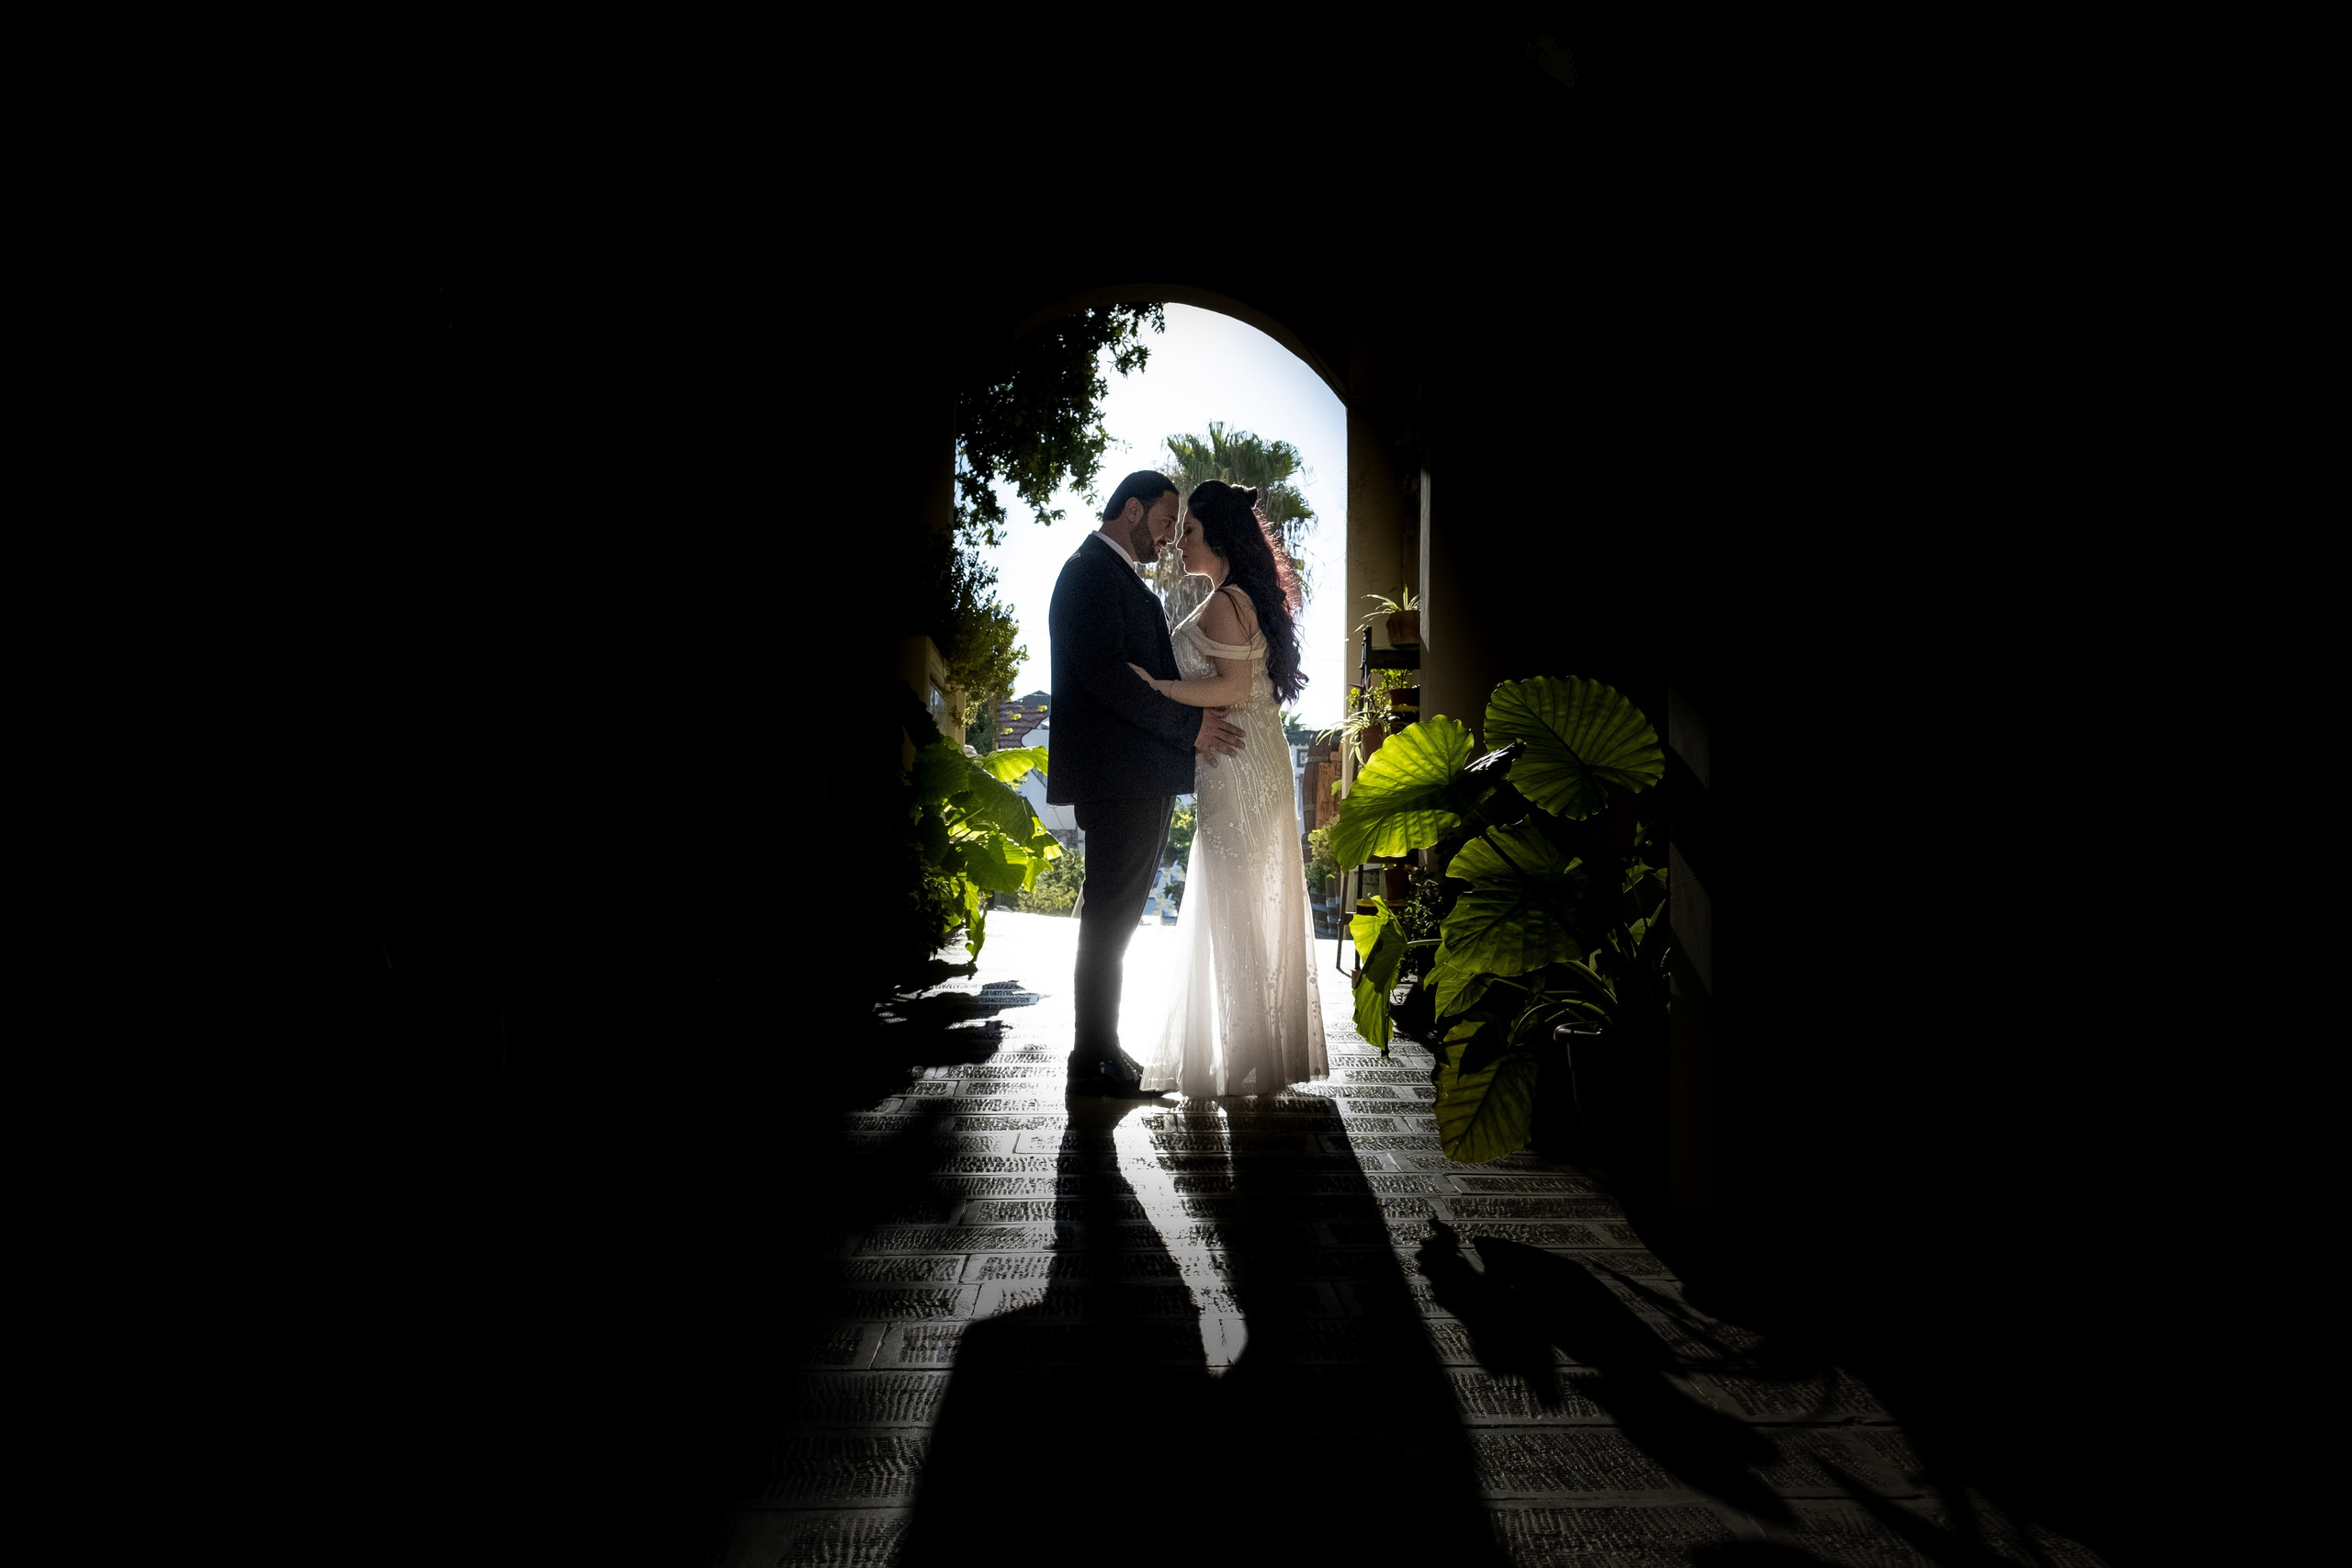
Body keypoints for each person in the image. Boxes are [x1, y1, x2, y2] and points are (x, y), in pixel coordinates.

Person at [1125, 480, 1328, 1098]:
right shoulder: (1244, 598)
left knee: (1236, 905)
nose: (1179, 541)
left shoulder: (1222, 602)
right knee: (1245, 902)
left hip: (1236, 763)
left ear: (1216, 537)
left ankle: (1247, 1055)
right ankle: (1257, 1051)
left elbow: (1232, 688)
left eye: (1188, 531)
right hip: (1254, 757)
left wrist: (1154, 689)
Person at [1046, 470, 1246, 1095]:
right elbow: (1108, 677)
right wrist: (1189, 727)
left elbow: (1147, 673)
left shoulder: (1117, 578)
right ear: (1129, 508)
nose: (1167, 536)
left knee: (1119, 917)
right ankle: (1093, 1055)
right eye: (1163, 520)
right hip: (1117, 778)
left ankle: (1103, 1047)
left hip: (1139, 776)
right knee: (1108, 916)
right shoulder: (1088, 573)